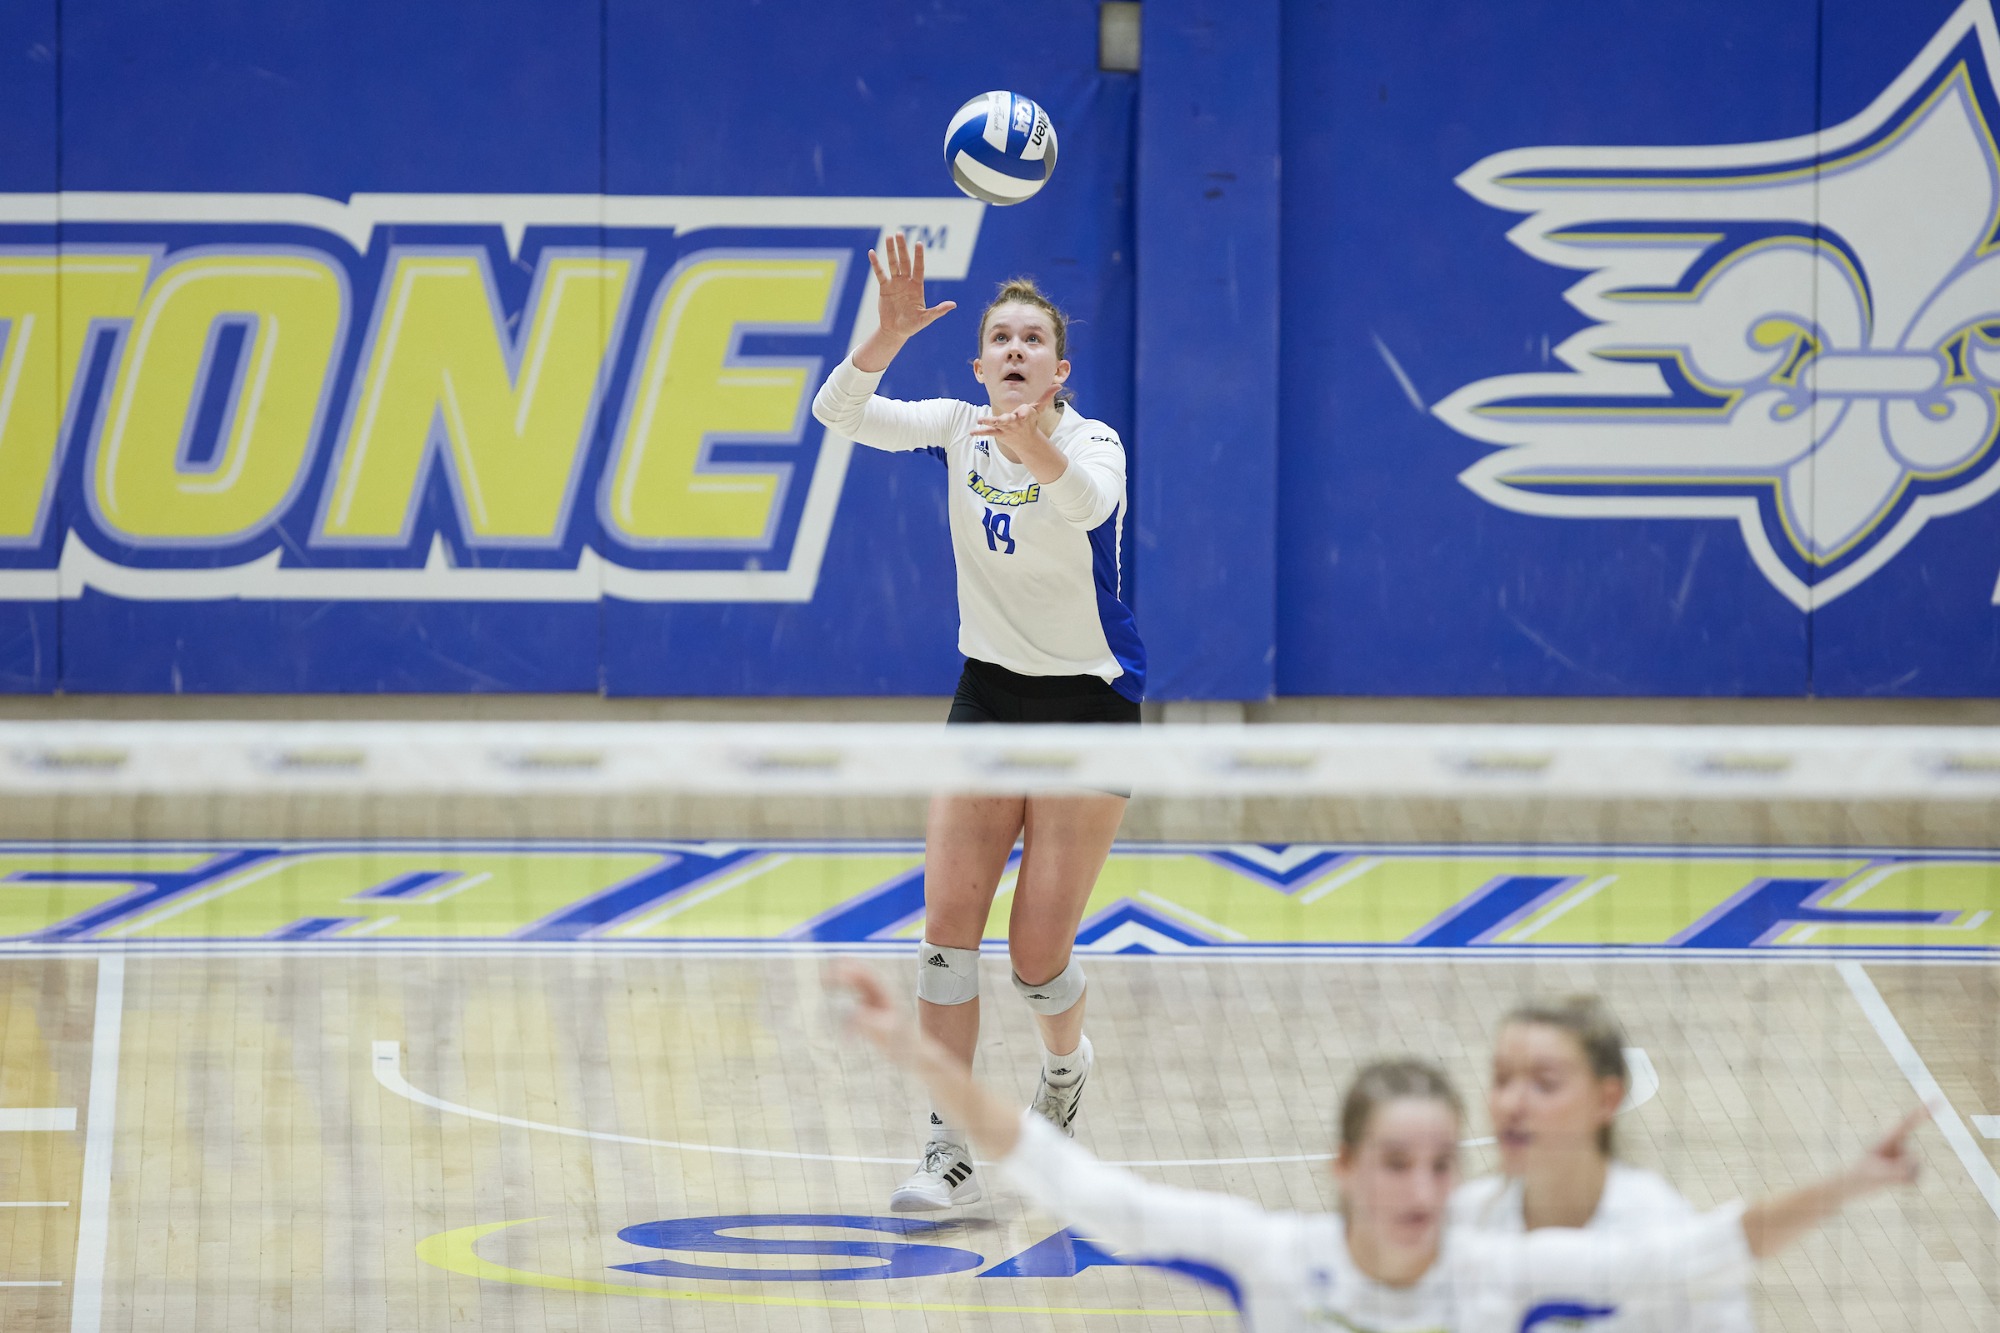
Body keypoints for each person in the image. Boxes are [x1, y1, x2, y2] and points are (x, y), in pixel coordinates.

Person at [828, 962, 1926, 1333]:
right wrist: (909, 1053)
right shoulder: (1270, 1256)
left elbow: (1705, 1248)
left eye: (1440, 1163)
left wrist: (1851, 1180)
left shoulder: (1498, 1268)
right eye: (1395, 1162)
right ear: (1342, 1169)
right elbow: (1066, 1173)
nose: (1420, 1186)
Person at [811, 235, 1144, 1212]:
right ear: (976, 360)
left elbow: (1086, 504)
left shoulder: (1092, 443)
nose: (1011, 348)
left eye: (1029, 339)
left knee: (1036, 957)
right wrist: (883, 337)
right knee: (946, 936)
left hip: (1086, 707)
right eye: (997, 336)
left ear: (1057, 367)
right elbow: (838, 412)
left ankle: (1066, 1065)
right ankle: (944, 1145)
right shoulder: (956, 426)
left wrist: (1027, 437)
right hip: (988, 696)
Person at [1453, 995, 1752, 1331]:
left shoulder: (1666, 1230)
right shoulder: (1460, 1220)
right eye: (1502, 1079)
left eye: (1545, 1083)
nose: (1510, 1104)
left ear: (1606, 1099)